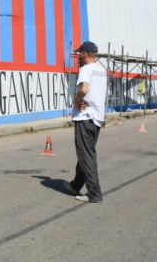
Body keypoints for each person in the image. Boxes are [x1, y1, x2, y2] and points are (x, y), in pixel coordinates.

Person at [64, 41, 107, 203]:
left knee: (86, 155)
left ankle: (94, 193)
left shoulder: (85, 69)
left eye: (79, 53)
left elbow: (84, 89)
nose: (78, 57)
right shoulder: (102, 71)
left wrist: (76, 101)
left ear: (84, 53)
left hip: (85, 117)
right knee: (86, 152)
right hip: (96, 118)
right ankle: (76, 185)